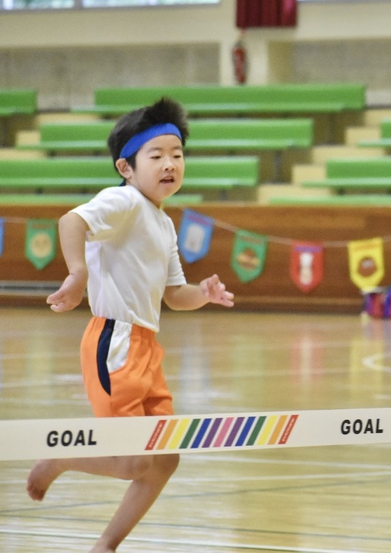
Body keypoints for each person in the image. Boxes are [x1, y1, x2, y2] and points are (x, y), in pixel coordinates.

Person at [26, 98, 236, 553]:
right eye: (156, 155)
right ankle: (60, 458)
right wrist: (78, 273)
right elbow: (71, 221)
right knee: (130, 459)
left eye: (177, 155)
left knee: (164, 458)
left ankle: (106, 545)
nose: (170, 164)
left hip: (145, 345)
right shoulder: (122, 200)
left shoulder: (163, 224)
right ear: (126, 166)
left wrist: (203, 293)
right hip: (113, 341)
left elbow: (174, 296)